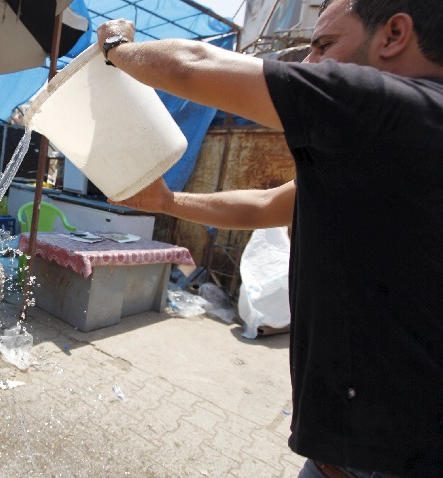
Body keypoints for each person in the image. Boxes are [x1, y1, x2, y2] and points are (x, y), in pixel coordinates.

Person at [97, 0, 442, 476]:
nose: (307, 64)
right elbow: (266, 207)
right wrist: (168, 202)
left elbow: (191, 66)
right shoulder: (394, 143)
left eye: (324, 46)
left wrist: (117, 47)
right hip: (340, 460)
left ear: (393, 36)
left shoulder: (388, 106)